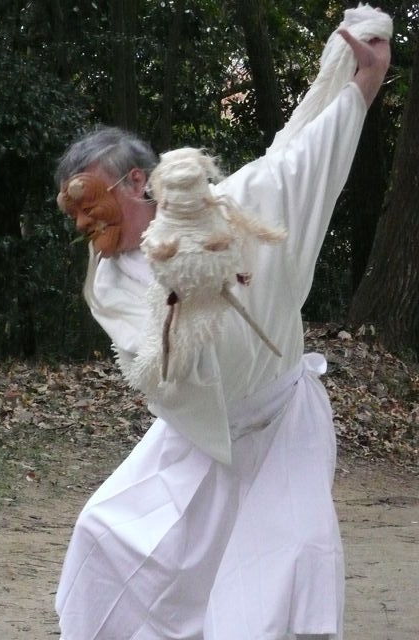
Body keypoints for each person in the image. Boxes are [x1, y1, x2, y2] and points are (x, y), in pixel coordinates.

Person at [54, 17, 391, 640]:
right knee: (105, 535)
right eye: (70, 211)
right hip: (198, 436)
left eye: (87, 200)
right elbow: (158, 362)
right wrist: (182, 294)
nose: (81, 222)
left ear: (135, 182)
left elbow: (297, 164)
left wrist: (360, 86)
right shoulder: (107, 281)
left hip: (282, 423)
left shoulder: (235, 208)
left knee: (281, 582)